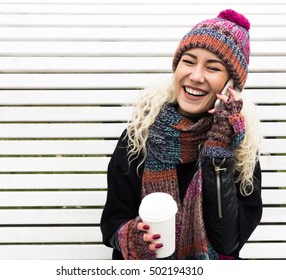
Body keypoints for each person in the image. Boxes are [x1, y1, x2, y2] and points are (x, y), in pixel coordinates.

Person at [100, 9, 263, 260]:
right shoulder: (140, 135)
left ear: (230, 85)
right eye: (188, 61)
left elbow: (229, 242)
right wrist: (130, 238)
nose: (195, 77)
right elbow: (112, 221)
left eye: (213, 67)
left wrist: (218, 153)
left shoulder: (240, 146)